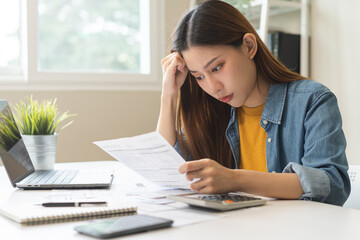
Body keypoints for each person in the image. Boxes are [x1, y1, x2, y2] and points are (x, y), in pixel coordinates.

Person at [156, 0, 350, 206]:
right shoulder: (211, 112)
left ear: (249, 46)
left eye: (216, 68)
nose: (213, 87)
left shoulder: (312, 101)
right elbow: (162, 171)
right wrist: (168, 96)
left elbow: (332, 185)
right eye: (199, 77)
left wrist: (234, 179)